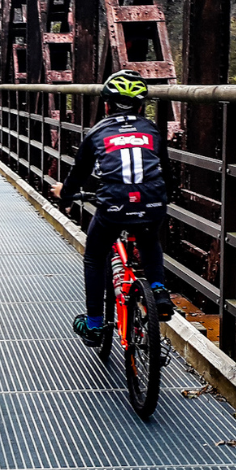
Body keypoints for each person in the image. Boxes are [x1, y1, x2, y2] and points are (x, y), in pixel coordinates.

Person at [51, 70, 175, 347]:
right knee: (149, 238)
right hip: (152, 201)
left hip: (114, 206)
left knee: (95, 257)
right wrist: (169, 195)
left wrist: (66, 194)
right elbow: (166, 170)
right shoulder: (152, 130)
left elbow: (79, 173)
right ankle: (159, 290)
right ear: (141, 106)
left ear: (106, 104)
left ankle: (94, 324)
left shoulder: (97, 133)